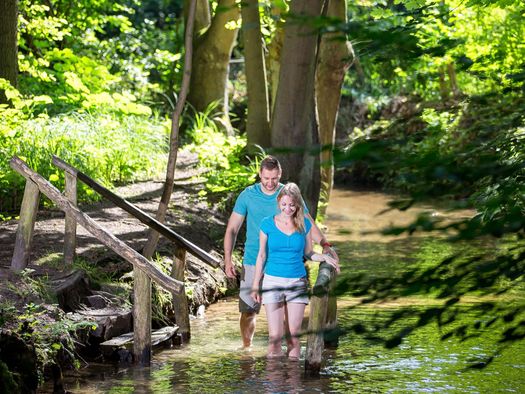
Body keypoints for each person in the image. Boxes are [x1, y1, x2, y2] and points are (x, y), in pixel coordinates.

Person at [223, 155, 338, 349]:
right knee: (249, 311)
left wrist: (325, 244)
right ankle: (247, 348)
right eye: (266, 178)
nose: (270, 183)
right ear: (259, 174)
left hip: (285, 264)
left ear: (280, 174)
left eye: (274, 178)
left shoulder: (288, 196)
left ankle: (287, 355)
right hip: (253, 260)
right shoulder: (247, 195)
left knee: (287, 315)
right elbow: (232, 229)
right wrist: (228, 261)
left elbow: (307, 222)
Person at [250, 183, 338, 358]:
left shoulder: (304, 225)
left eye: (291, 205)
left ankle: (294, 383)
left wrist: (325, 257)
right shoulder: (267, 224)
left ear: (298, 204)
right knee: (274, 338)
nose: (287, 208)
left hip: (296, 282)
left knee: (293, 338)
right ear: (278, 202)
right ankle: (273, 383)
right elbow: (261, 256)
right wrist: (255, 285)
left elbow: (308, 253)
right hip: (272, 282)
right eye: (284, 204)